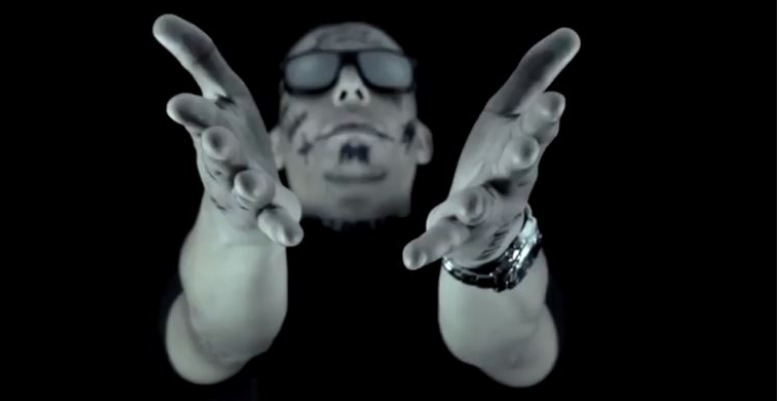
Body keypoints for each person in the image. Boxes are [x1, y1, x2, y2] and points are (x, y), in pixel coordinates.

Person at [153, 13, 580, 399]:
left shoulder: (473, 235)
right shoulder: (217, 269)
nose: (350, 87)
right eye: (312, 73)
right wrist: (235, 233)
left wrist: (488, 255)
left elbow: (508, 349)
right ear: (275, 143)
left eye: (384, 71)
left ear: (424, 140)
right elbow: (217, 339)